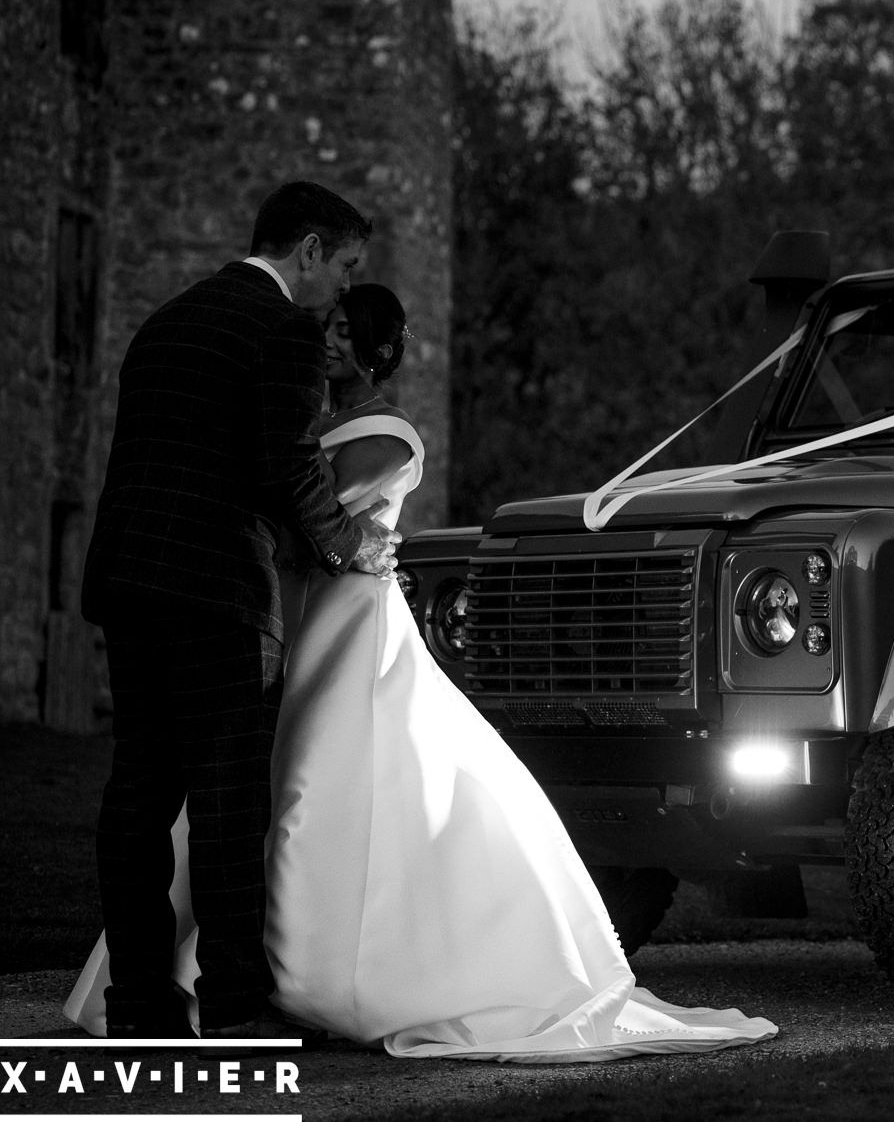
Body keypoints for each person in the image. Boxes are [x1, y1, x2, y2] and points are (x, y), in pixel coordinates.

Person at [68, 285, 778, 1062]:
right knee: (242, 782)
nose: (328, 342)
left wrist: (258, 525)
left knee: (318, 781)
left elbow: (312, 519)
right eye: (327, 329)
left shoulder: (386, 434)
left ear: (374, 351)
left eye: (343, 334)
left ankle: (336, 971)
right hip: (298, 613)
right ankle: (211, 975)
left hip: (346, 619)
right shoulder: (312, 421)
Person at [79, 182, 399, 1042]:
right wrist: (351, 547)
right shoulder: (285, 329)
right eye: (343, 266)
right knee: (229, 807)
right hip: (220, 591)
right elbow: (287, 464)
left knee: (137, 796)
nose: (341, 290)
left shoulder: (163, 323)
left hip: (131, 581)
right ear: (306, 251)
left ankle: (137, 1003)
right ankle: (231, 1006)